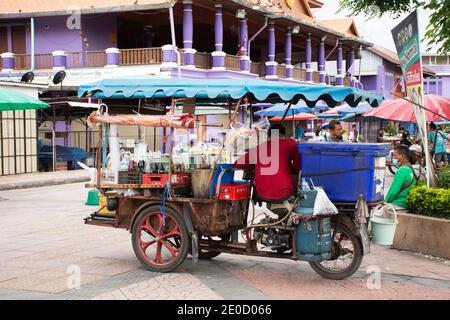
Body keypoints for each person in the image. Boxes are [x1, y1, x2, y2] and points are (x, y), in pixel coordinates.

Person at [234, 124, 301, 201]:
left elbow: (237, 163)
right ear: (284, 135)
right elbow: (297, 167)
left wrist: (257, 165)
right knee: (297, 176)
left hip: (261, 193)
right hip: (284, 193)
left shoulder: (260, 146)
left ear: (269, 136)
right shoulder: (291, 143)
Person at [377, 145, 418, 218]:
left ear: (401, 156)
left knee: (376, 216)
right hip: (406, 203)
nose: (394, 158)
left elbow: (393, 192)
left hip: (399, 204)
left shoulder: (402, 170)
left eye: (395, 156)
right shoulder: (410, 168)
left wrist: (385, 203)